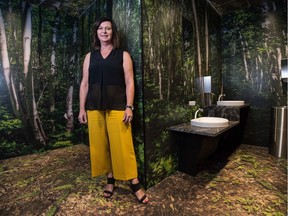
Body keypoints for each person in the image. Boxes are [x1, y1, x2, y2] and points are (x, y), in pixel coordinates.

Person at [78, 17, 148, 204]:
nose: (104, 31)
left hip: (118, 106)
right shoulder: (89, 57)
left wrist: (129, 106)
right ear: (97, 32)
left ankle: (134, 182)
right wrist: (81, 108)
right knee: (101, 145)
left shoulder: (123, 55)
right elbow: (84, 83)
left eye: (108, 28)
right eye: (101, 28)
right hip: (94, 107)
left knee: (123, 145)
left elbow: (130, 82)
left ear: (113, 32)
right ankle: (110, 179)